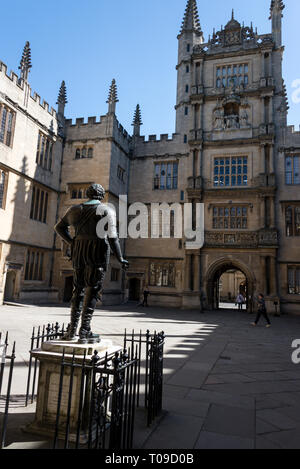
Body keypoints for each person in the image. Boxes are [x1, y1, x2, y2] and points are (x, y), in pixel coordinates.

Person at [55, 184, 129, 344]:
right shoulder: (107, 210)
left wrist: (72, 242)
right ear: (101, 196)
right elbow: (113, 238)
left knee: (78, 290)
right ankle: (84, 331)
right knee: (93, 290)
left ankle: (71, 330)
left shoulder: (75, 209)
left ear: (88, 194)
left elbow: (59, 228)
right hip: (98, 250)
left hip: (79, 250)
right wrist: (120, 258)